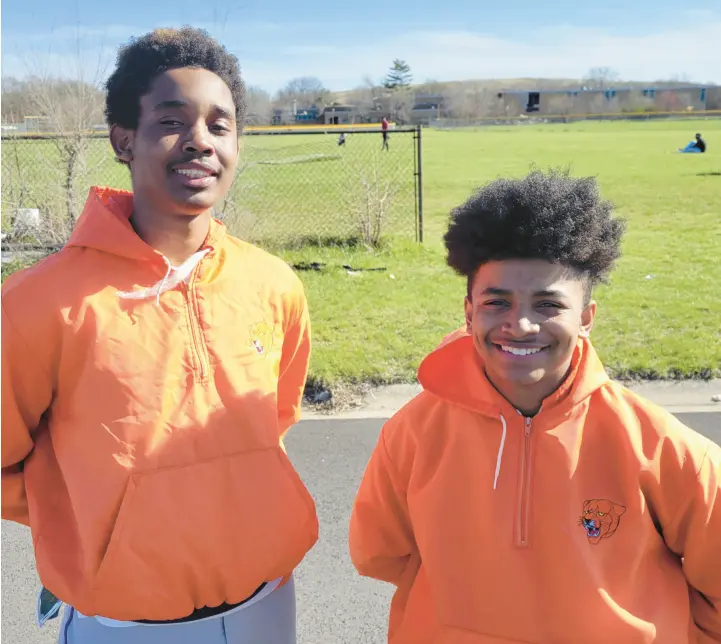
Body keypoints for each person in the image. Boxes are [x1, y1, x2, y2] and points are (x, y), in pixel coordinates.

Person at [1, 27, 318, 644]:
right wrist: (93, 527)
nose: (200, 141)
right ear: (124, 139)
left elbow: (272, 421)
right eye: (171, 121)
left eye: (220, 125)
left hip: (268, 603)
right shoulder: (38, 303)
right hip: (121, 624)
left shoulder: (274, 284)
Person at [349, 170, 721, 644]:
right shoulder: (414, 432)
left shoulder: (661, 444)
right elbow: (378, 552)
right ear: (468, 312)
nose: (521, 324)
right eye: (496, 302)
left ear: (587, 317)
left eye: (548, 304)